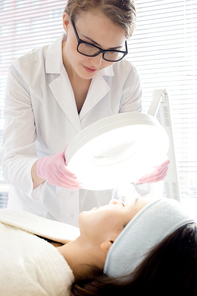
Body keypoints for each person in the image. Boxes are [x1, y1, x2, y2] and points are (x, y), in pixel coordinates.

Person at [2, 0, 170, 226]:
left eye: (112, 51)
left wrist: (144, 169)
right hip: (36, 220)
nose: (98, 61)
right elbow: (13, 161)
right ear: (65, 22)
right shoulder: (26, 71)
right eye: (89, 45)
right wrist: (43, 168)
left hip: (96, 223)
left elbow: (130, 152)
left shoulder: (126, 76)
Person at [0, 197, 196, 296]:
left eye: (124, 206)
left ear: (112, 244)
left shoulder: (19, 281)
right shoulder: (68, 237)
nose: (114, 200)